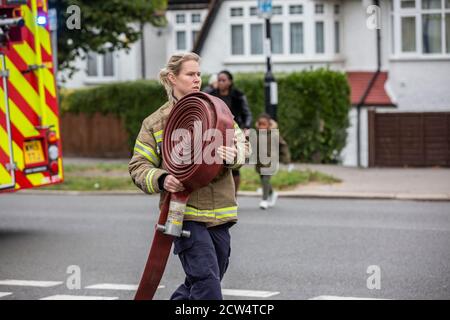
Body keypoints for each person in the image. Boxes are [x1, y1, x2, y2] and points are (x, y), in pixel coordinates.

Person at [128, 53, 250, 300]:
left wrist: (233, 155)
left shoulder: (218, 109)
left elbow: (244, 148)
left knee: (204, 282)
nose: (197, 79)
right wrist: (162, 179)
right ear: (173, 78)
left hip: (221, 214)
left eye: (198, 74)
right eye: (190, 74)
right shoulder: (156, 122)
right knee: (208, 288)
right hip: (184, 214)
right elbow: (138, 166)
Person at [209, 70, 252, 195]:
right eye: (219, 80)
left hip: (234, 132)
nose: (221, 82)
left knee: (234, 166)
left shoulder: (238, 96)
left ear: (230, 81)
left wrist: (246, 127)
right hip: (215, 132)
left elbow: (247, 114)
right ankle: (217, 194)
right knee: (215, 164)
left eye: (223, 80)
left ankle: (234, 195)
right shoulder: (211, 94)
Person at [254, 113, 291, 210]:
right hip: (260, 162)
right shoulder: (256, 135)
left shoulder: (274, 134)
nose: (262, 126)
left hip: (271, 162)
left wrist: (286, 159)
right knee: (263, 180)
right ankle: (272, 193)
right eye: (260, 124)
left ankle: (264, 200)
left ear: (269, 125)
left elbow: (283, 145)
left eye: (264, 124)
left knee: (265, 179)